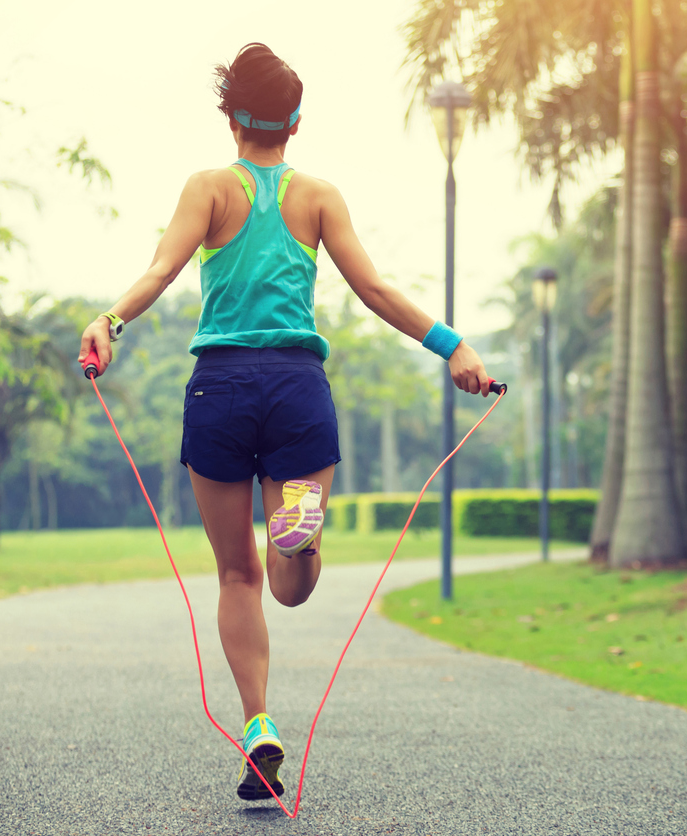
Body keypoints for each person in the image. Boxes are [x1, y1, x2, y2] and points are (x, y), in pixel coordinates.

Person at [77, 42, 492, 802]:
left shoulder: (207, 188)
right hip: (297, 391)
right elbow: (371, 288)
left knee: (236, 574)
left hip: (220, 392)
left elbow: (162, 270)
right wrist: (452, 345)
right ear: (295, 123)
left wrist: (110, 320)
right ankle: (296, 533)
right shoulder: (318, 197)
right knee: (289, 584)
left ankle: (258, 725)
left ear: (230, 118)